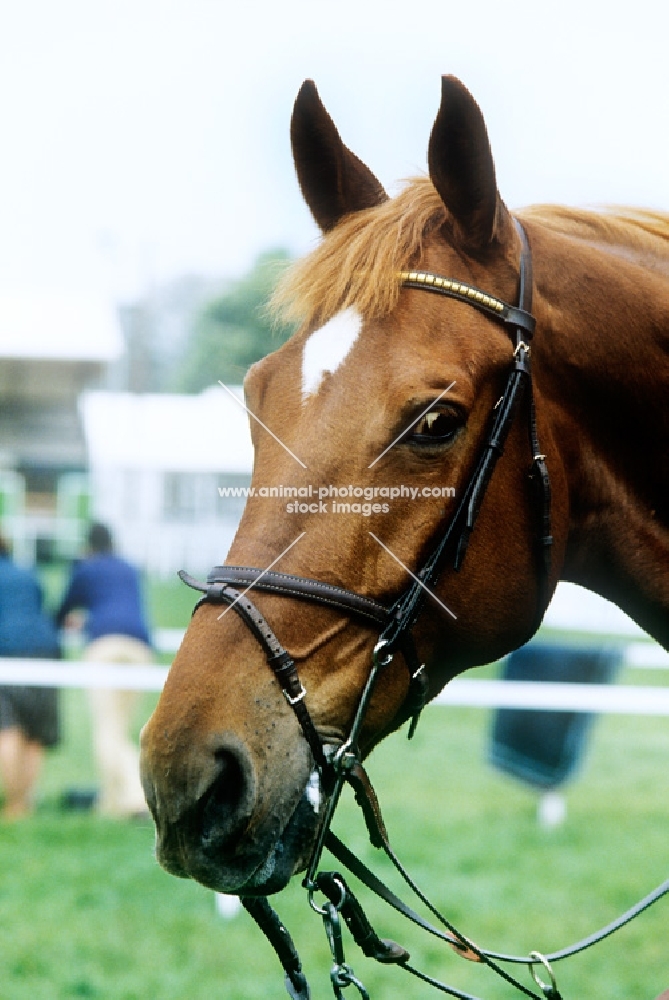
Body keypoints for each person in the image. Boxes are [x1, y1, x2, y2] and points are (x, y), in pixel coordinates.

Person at [56, 522, 153, 818]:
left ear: (88, 545)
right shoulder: (129, 568)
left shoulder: (87, 568)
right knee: (121, 727)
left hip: (105, 647)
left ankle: (136, 797)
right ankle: (112, 802)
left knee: (108, 729)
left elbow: (64, 609)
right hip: (139, 647)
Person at [0, 534, 60, 819]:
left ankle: (13, 806)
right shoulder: (28, 574)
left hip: (6, 654)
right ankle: (25, 803)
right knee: (33, 734)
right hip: (44, 652)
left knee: (8, 731)